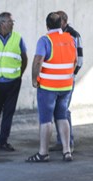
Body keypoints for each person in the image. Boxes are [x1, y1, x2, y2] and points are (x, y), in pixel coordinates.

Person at [26, 12, 77, 163]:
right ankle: (67, 151)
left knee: (46, 119)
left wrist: (35, 80)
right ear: (62, 23)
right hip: (66, 85)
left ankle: (43, 153)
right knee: (62, 116)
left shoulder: (45, 40)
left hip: (48, 86)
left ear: (47, 25)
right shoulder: (70, 39)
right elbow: (74, 61)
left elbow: (37, 61)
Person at [0, 12, 28, 152]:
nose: (12, 24)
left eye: (12, 21)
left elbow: (24, 58)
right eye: (9, 21)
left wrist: (19, 75)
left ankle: (3, 142)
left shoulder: (18, 38)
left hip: (13, 83)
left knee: (8, 113)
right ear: (1, 24)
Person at [49, 10, 83, 153]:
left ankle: (67, 143)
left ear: (63, 21)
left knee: (63, 111)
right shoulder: (56, 35)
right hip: (54, 80)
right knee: (58, 110)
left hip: (67, 81)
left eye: (57, 21)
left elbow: (79, 61)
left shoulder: (73, 35)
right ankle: (61, 141)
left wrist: (70, 75)